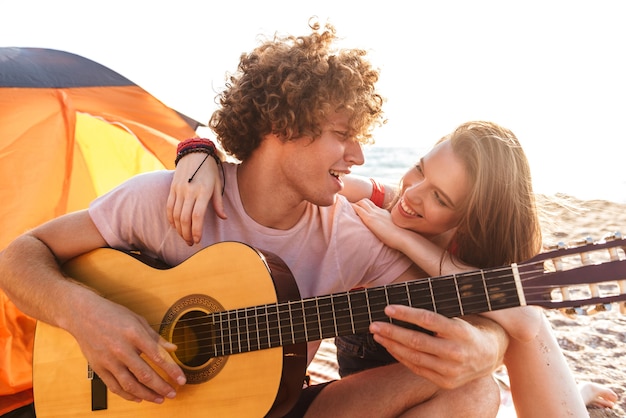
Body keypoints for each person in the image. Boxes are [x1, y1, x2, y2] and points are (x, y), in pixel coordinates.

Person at [0, 22, 551, 417]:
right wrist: (85, 313)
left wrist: (489, 348)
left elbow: (459, 307)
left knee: (475, 392)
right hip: (143, 407)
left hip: (277, 408)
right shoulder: (167, 200)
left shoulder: (352, 233)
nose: (358, 155)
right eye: (341, 134)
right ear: (282, 126)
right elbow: (20, 255)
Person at [169, 121, 600, 417]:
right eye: (420, 169)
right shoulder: (377, 200)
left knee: (492, 374)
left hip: (414, 396)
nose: (411, 194)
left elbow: (526, 321)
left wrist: (407, 241)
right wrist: (198, 152)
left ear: (467, 223)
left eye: (441, 199)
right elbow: (277, 164)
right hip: (356, 400)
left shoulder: (464, 255)